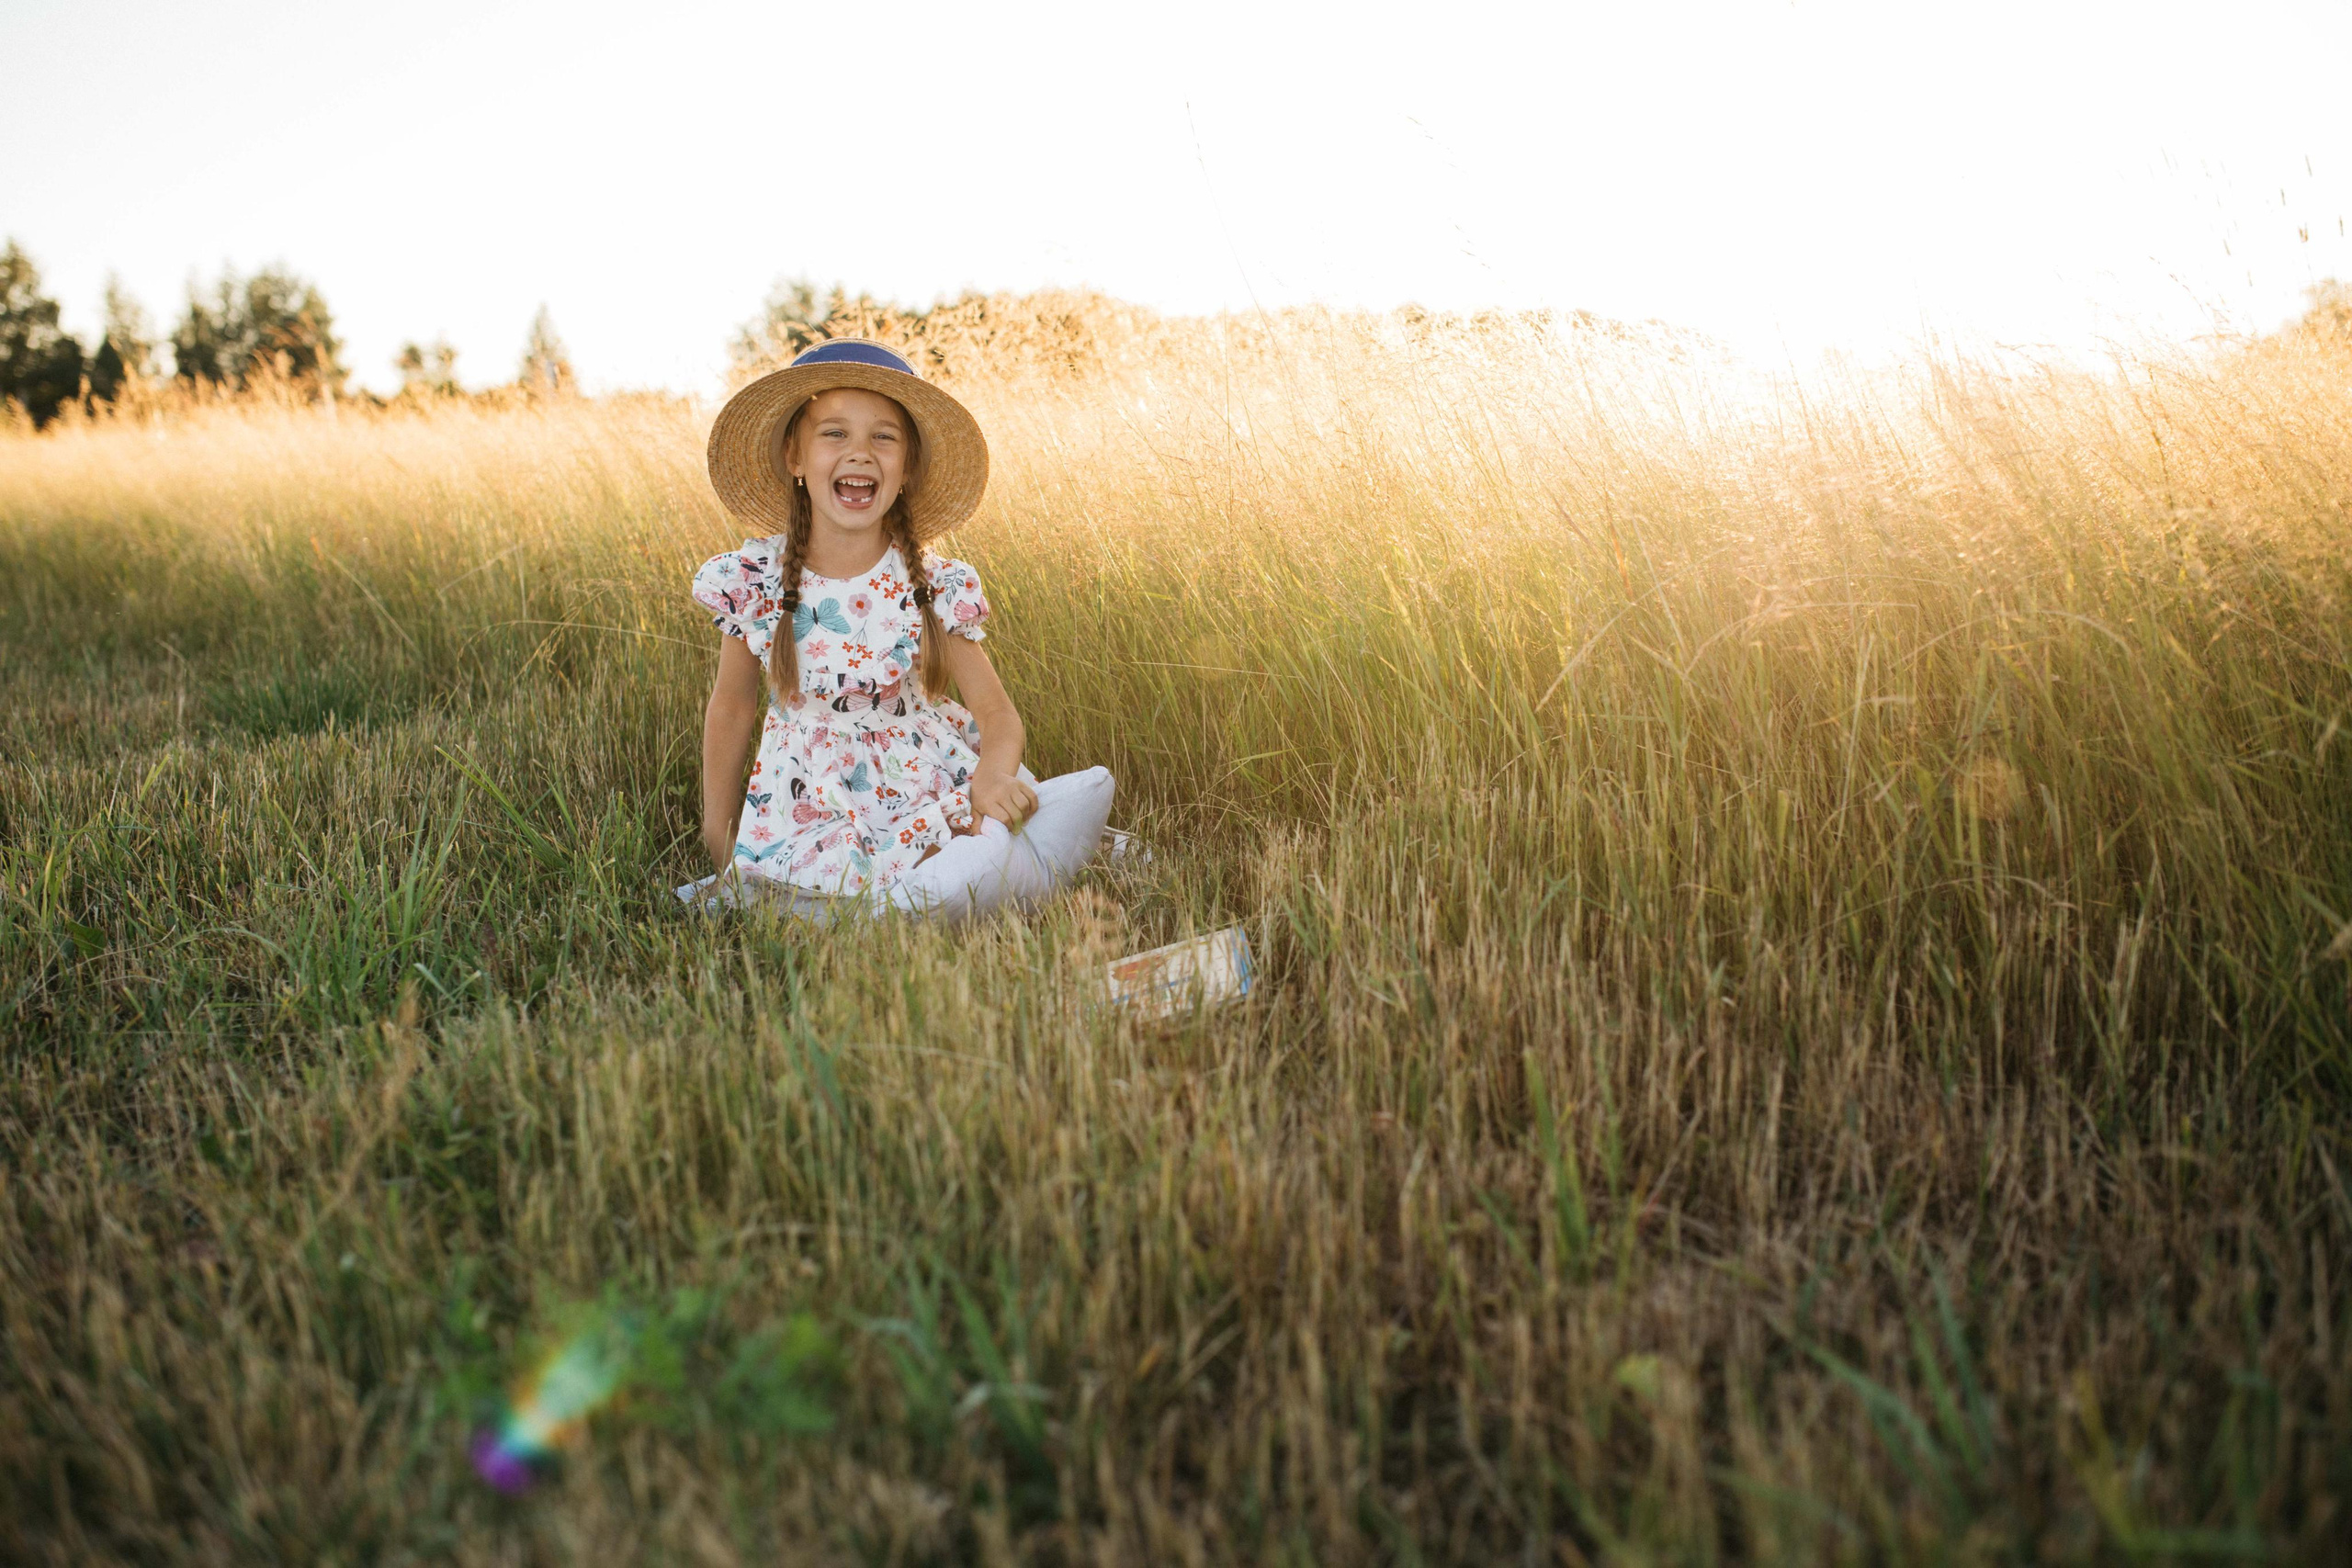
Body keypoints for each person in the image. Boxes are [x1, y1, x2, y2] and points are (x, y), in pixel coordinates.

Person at [683, 339, 1114, 922]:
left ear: (905, 467)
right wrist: (720, 825)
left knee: (986, 834)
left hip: (923, 783)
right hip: (809, 798)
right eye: (834, 433)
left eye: (882, 437)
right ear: (795, 457)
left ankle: (986, 865)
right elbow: (731, 708)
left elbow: (996, 714)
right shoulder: (753, 578)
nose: (859, 453)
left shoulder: (933, 583)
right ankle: (951, 889)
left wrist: (990, 778)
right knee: (809, 895)